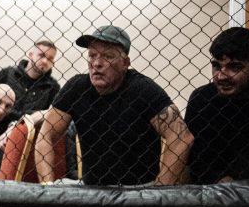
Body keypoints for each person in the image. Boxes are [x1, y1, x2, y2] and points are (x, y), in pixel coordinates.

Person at [35, 25, 193, 186]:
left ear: (125, 63)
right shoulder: (77, 87)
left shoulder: (143, 89)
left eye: (108, 56)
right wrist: (47, 187)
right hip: (91, 189)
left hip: (137, 190)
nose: (97, 63)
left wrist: (159, 191)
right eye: (92, 55)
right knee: (61, 186)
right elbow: (45, 135)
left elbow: (182, 138)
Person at [185, 27, 249, 183]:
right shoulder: (202, 99)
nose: (221, 76)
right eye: (216, 66)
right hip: (208, 190)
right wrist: (220, 180)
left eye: (235, 67)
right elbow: (196, 157)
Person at [0, 39, 61, 118]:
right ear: (31, 55)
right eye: (41, 55)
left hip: (30, 129)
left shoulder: (53, 87)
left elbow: (50, 116)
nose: (45, 61)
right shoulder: (7, 73)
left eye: (50, 59)